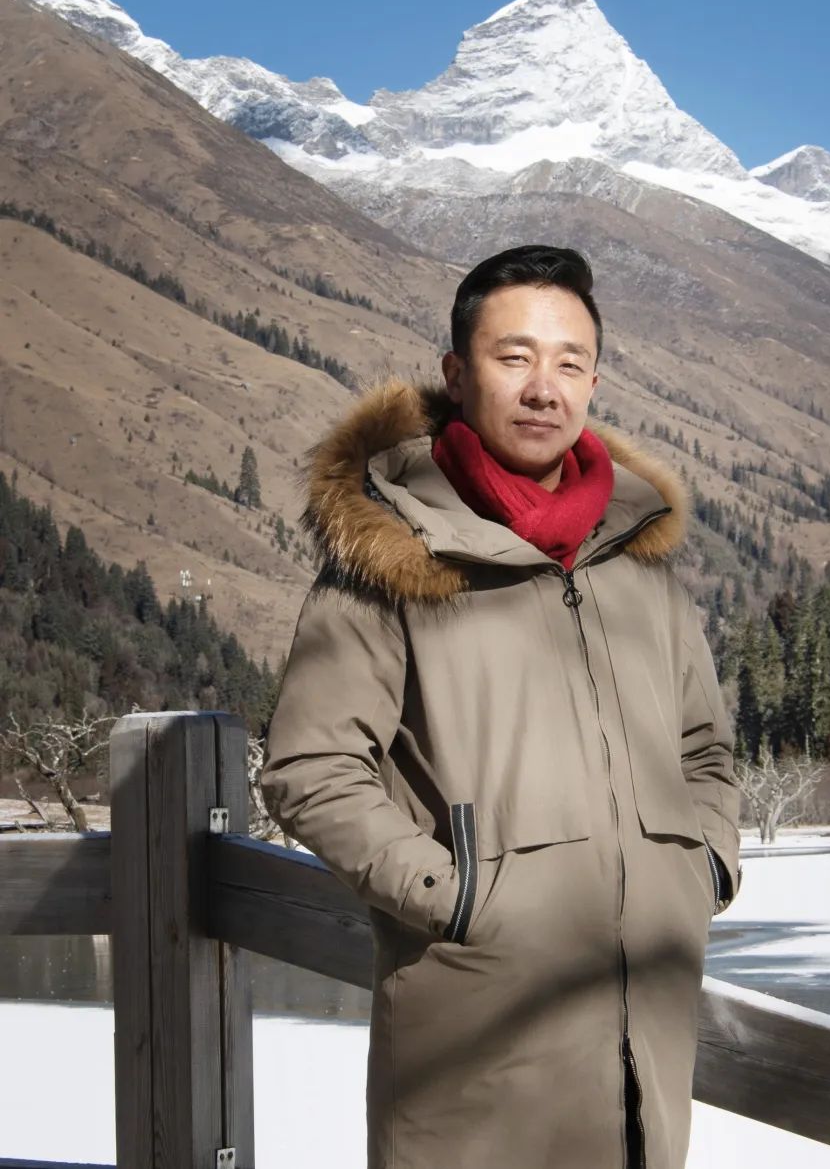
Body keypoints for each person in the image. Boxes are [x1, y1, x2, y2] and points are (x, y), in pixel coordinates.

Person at [260, 244, 742, 1169]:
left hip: (643, 1046)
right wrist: (458, 899)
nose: (542, 389)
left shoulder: (638, 557)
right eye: (513, 357)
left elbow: (703, 747)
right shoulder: (394, 553)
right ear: (457, 372)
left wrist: (701, 866)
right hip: (471, 1044)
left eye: (569, 362)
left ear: (594, 382)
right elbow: (311, 767)